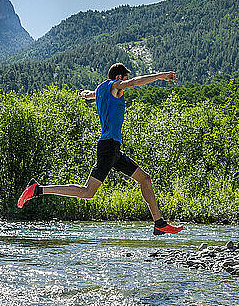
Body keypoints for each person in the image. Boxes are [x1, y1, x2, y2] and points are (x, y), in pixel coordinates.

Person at [17, 63, 183, 235]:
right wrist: (160, 75)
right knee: (88, 191)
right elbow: (135, 82)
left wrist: (85, 94)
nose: (125, 85)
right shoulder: (115, 86)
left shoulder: (101, 90)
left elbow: (91, 95)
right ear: (119, 78)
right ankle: (38, 189)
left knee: (145, 179)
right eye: (124, 79)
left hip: (113, 149)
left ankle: (159, 223)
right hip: (109, 147)